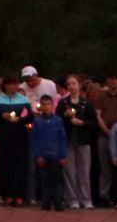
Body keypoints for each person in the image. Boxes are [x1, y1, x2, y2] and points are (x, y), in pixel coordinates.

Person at [0, 77, 32, 206]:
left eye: (15, 84)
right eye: (11, 84)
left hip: (20, 137)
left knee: (20, 166)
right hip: (4, 137)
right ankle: (7, 194)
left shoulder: (23, 99)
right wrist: (2, 116)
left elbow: (29, 116)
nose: (13, 87)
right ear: (6, 86)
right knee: (5, 166)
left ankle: (20, 195)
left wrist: (20, 119)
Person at [59, 76, 96, 211]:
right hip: (68, 140)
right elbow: (58, 121)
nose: (71, 86)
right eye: (69, 84)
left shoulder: (87, 103)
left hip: (83, 141)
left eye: (74, 83)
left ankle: (86, 199)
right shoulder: (63, 103)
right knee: (70, 172)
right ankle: (72, 199)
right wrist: (65, 116)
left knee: (84, 171)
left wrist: (82, 123)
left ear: (79, 85)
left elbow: (93, 123)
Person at [28, 94, 68, 211]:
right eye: (43, 104)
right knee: (44, 179)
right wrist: (38, 155)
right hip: (43, 155)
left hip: (55, 155)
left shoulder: (58, 121)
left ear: (52, 106)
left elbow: (62, 138)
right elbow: (34, 139)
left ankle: (58, 202)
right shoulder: (37, 121)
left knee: (56, 179)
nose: (46, 107)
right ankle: (46, 201)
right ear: (40, 106)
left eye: (48, 104)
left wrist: (62, 155)